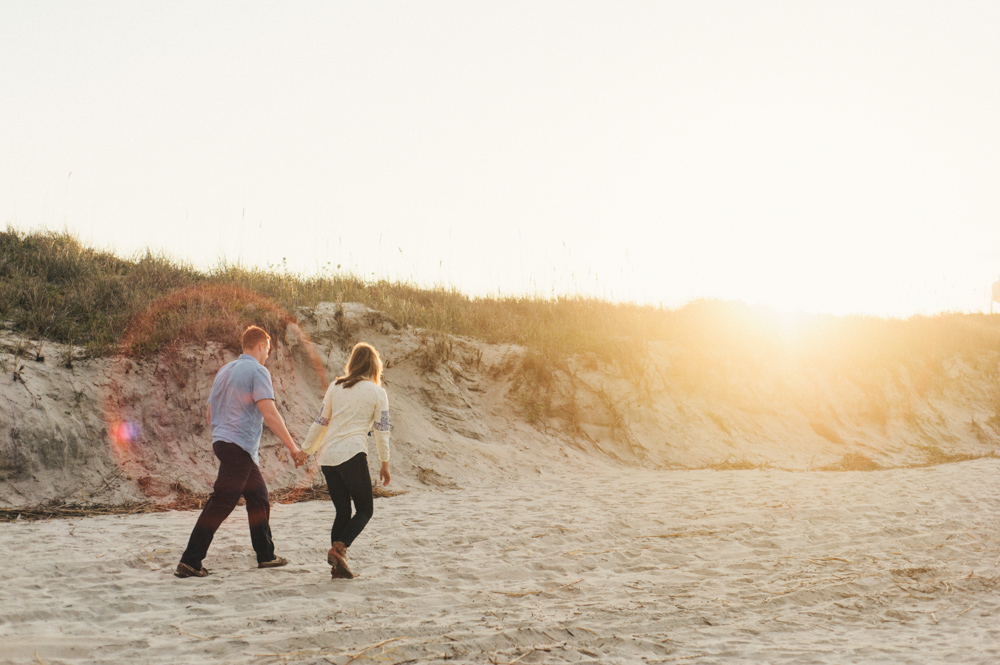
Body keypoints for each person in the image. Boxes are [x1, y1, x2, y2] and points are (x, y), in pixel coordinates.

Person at [175, 325, 308, 578]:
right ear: (260, 346)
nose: (267, 355)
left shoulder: (224, 371)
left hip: (224, 443)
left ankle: (266, 556)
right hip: (238, 445)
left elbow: (209, 413)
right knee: (221, 502)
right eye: (267, 349)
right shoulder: (258, 371)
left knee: (258, 497)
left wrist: (222, 435)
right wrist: (293, 448)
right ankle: (190, 561)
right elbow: (269, 413)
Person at [301, 342, 391, 579]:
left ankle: (337, 567)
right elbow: (383, 431)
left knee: (342, 511)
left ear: (352, 363)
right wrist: (385, 462)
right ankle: (339, 550)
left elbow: (321, 421)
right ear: (374, 366)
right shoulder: (377, 392)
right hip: (352, 455)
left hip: (328, 458)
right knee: (365, 510)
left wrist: (306, 449)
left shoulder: (335, 386)